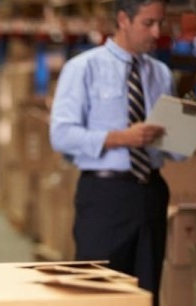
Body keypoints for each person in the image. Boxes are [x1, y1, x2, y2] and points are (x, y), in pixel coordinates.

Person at [49, 1, 181, 305]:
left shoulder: (161, 74)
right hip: (105, 195)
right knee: (98, 293)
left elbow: (174, 149)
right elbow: (61, 135)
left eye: (160, 23)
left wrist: (186, 138)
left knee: (146, 292)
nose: (157, 32)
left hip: (151, 191)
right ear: (123, 20)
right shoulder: (84, 68)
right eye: (148, 24)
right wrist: (121, 138)